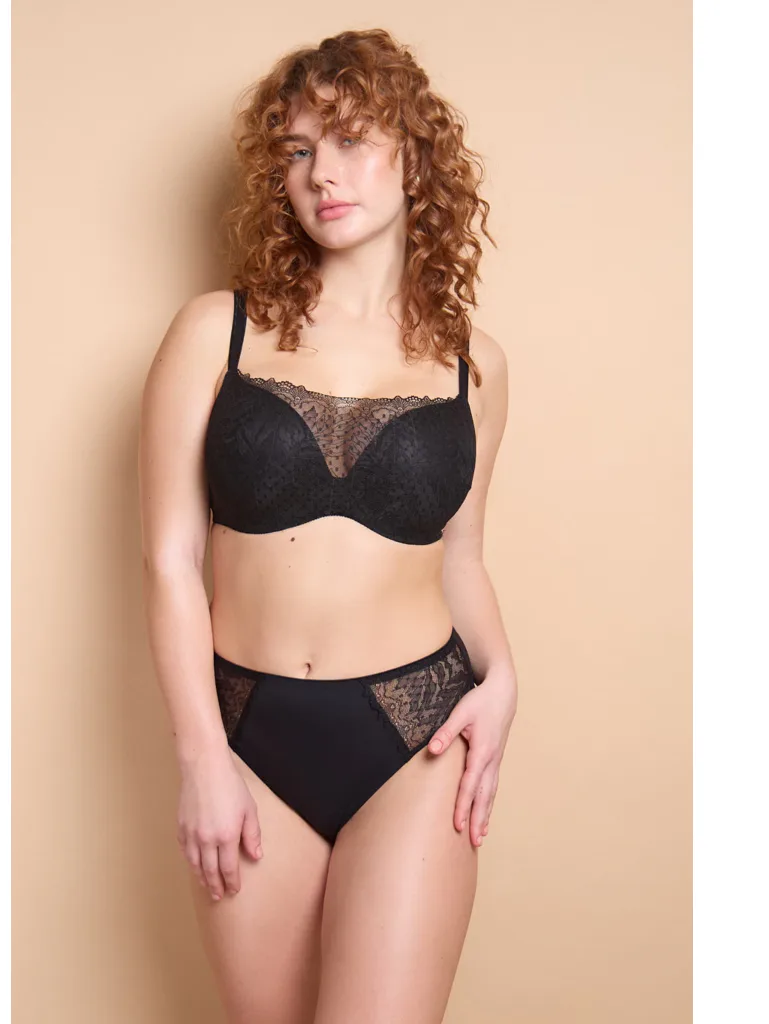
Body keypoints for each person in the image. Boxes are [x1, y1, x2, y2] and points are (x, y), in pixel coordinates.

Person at [138, 29, 518, 1024]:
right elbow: (171, 562)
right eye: (300, 150)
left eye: (350, 140)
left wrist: (505, 679)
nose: (322, 173)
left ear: (416, 158)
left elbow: (461, 555)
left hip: (418, 734)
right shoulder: (215, 331)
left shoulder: (474, 365)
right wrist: (202, 761)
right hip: (248, 734)